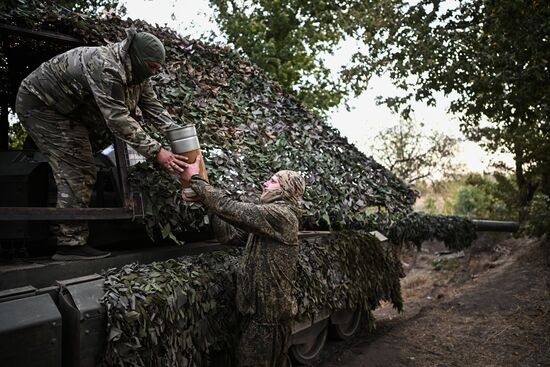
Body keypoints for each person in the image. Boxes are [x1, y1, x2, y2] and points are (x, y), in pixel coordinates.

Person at [15, 28, 187, 260]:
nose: (153, 74)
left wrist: (182, 138)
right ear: (137, 58)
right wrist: (158, 152)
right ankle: (70, 244)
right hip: (42, 106)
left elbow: (155, 110)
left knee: (85, 161)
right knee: (78, 168)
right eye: (152, 67)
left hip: (74, 110)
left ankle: (70, 231)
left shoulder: (139, 76)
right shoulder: (105, 66)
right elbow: (117, 119)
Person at [180, 156, 305, 367]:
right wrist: (209, 202)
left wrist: (196, 179)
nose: (266, 183)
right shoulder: (269, 223)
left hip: (268, 321)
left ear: (286, 190)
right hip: (258, 316)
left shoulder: (282, 215)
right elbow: (230, 235)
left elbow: (230, 208)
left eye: (274, 181)